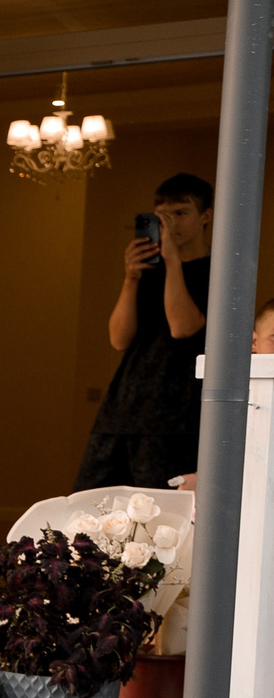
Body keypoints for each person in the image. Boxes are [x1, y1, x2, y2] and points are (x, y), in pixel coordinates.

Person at [80, 172, 213, 489]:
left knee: (158, 516)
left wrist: (173, 262)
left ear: (205, 216)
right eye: (162, 216)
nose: (170, 225)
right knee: (89, 507)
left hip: (174, 421)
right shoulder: (149, 272)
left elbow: (182, 328)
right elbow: (118, 339)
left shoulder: (216, 271)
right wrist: (131, 279)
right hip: (120, 413)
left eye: (181, 214)